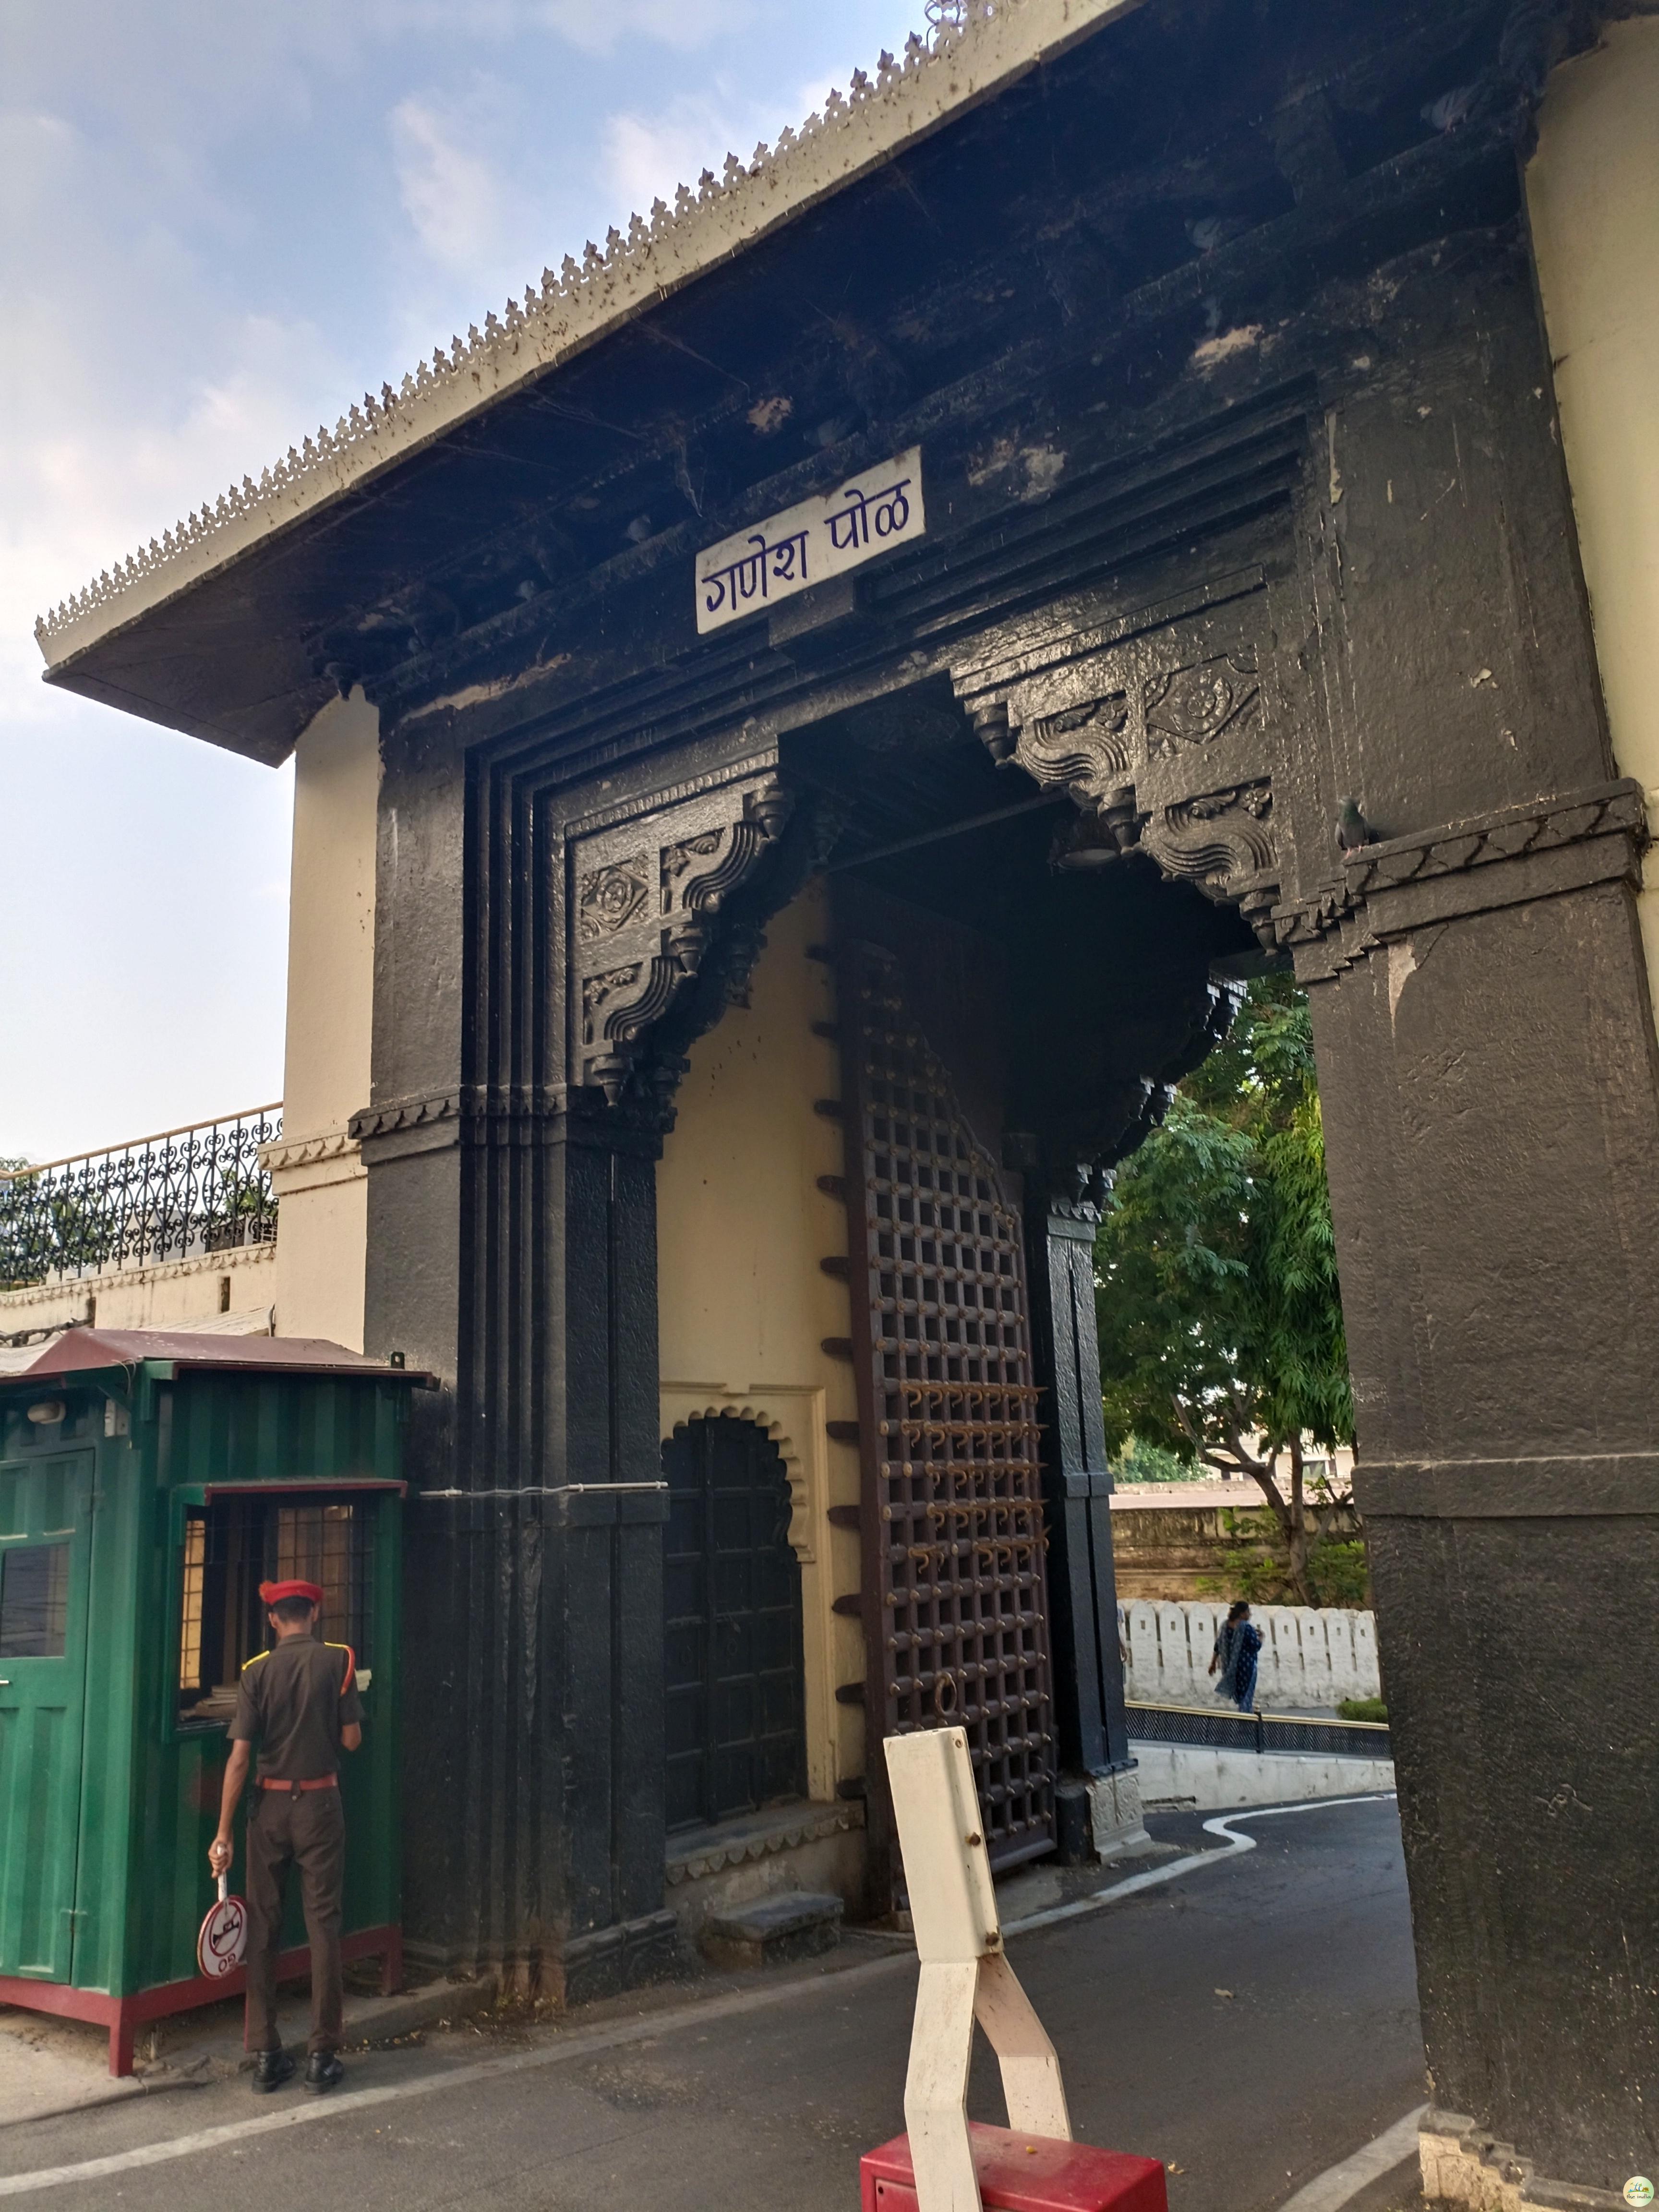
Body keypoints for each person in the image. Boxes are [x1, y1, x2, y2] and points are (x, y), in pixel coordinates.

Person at [209, 1577, 363, 2095]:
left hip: (268, 1807)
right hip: (320, 1803)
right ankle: (323, 2055)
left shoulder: (256, 1672)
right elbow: (351, 1739)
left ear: (274, 1620)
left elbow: (238, 1759)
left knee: (264, 1925)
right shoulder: (338, 1662)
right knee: (324, 1924)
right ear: (313, 1615)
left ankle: (266, 2054)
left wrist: (224, 1832)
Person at [1208, 1599, 1262, 1714]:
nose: (1250, 1614)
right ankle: (1246, 1722)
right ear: (1242, 1614)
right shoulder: (1246, 1627)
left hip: (1232, 1669)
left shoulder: (1225, 1626)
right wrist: (1262, 1637)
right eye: (1248, 1611)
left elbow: (1218, 1645)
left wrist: (1213, 1663)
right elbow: (1256, 1646)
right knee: (1247, 1695)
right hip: (1247, 1667)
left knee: (1241, 1696)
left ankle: (1244, 1718)